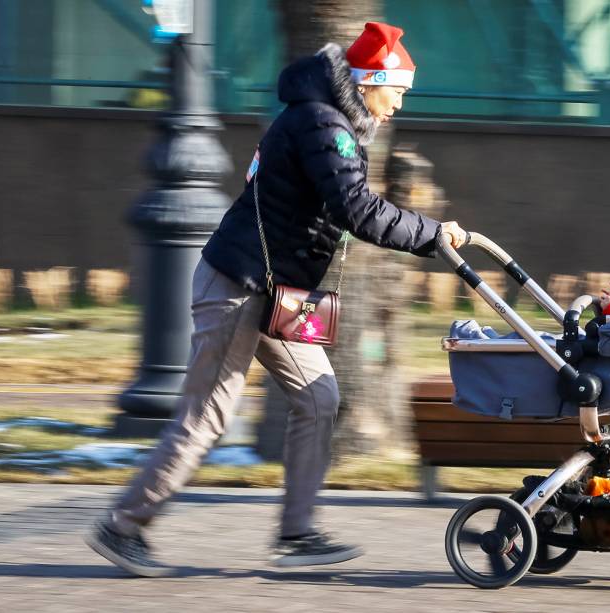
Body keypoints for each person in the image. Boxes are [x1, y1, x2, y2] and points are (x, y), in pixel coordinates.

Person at [86, 22, 468, 577]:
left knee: (319, 399)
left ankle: (297, 532)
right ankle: (122, 526)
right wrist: (432, 233)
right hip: (239, 286)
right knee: (207, 417)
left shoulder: (334, 122)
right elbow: (355, 210)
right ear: (366, 82)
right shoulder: (322, 123)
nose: (397, 106)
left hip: (281, 292)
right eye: (396, 92)